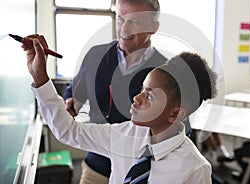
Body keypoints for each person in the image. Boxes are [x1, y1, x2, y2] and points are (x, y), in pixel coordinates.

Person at [23, 36, 217, 183]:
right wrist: (40, 77)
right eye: (142, 89)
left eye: (149, 95)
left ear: (175, 113)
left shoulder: (195, 168)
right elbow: (69, 131)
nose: (137, 97)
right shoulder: (125, 134)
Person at [62, 0, 169, 183]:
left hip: (141, 174)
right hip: (96, 168)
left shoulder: (165, 70)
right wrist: (71, 102)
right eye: (121, 19)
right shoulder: (95, 55)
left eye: (134, 21)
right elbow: (75, 91)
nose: (124, 28)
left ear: (154, 27)